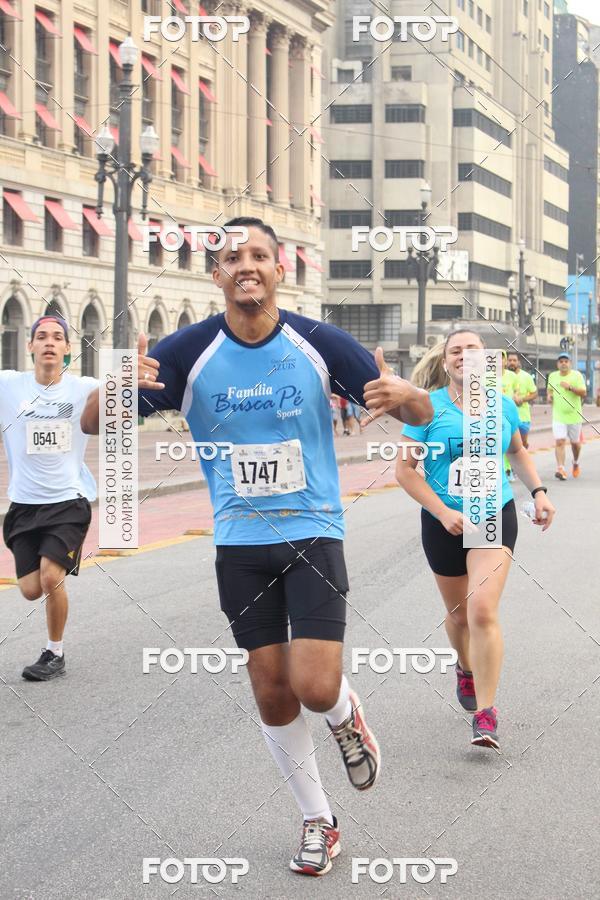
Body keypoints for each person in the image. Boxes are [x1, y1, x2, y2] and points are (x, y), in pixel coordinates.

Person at [81, 217, 433, 875]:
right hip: (239, 543)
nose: (246, 265)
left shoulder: (319, 341)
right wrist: (118, 385)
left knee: (314, 682)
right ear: (215, 275)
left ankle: (345, 714)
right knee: (272, 690)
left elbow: (412, 411)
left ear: (279, 270)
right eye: (232, 257)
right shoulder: (187, 351)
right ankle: (318, 820)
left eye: (259, 255)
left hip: (313, 530)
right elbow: (96, 423)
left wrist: (413, 395)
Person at [398, 329, 555, 750]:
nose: (464, 356)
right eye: (456, 351)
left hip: (492, 515)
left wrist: (539, 491)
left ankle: (486, 714)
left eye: (473, 350)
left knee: (482, 610)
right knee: (459, 616)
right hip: (444, 520)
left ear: (487, 360)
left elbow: (517, 450)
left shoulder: (502, 405)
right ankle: (464, 668)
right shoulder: (426, 407)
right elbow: (405, 471)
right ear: (445, 362)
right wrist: (443, 511)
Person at [0, 316, 97, 680]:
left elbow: (121, 391)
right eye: (41, 337)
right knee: (28, 590)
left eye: (58, 337)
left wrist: (131, 374)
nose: (50, 343)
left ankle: (54, 653)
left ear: (68, 348)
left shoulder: (84, 387)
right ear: (30, 346)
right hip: (24, 506)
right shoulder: (9, 385)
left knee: (50, 578)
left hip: (69, 503)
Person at [547, 352, 586, 480]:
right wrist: (549, 396)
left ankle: (576, 462)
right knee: (560, 441)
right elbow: (550, 390)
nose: (563, 363)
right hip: (558, 415)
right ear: (558, 364)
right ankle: (561, 469)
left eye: (566, 361)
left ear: (570, 363)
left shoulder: (577, 376)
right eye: (561, 361)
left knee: (575, 444)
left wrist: (570, 387)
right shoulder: (552, 376)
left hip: (574, 416)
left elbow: (583, 392)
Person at [507, 351, 537, 449]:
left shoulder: (526, 377)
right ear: (506, 362)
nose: (512, 362)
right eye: (509, 360)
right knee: (508, 445)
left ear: (518, 362)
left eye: (514, 360)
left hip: (523, 417)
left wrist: (522, 399)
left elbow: (534, 393)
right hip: (506, 417)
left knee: (522, 445)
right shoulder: (501, 377)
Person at [501, 351, 517, 482]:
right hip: (491, 416)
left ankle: (509, 469)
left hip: (509, 415)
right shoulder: (485, 377)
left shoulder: (512, 376)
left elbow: (516, 392)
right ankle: (504, 470)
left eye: (502, 359)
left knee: (509, 444)